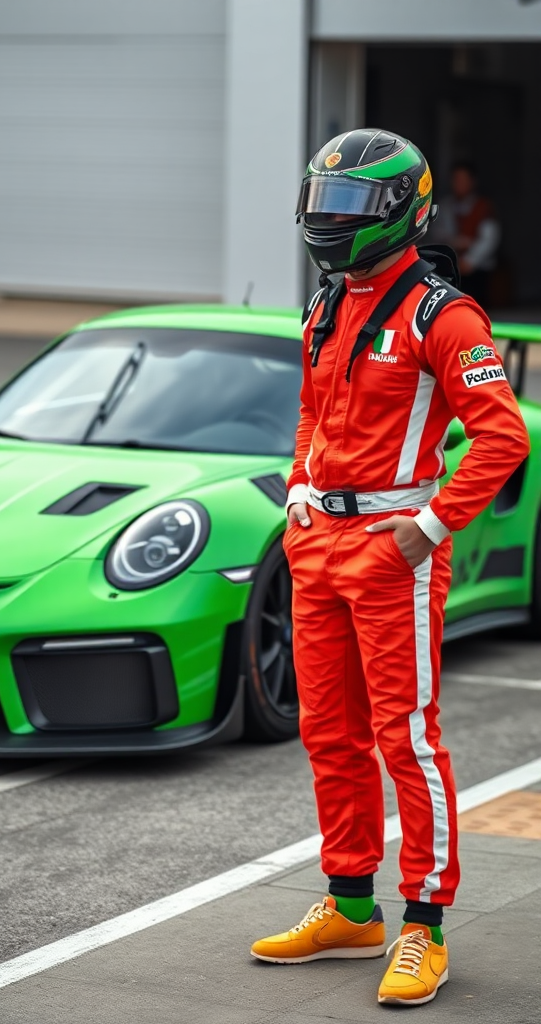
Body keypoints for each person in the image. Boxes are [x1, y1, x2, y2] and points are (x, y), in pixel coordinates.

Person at [250, 128, 530, 1006]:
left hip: (392, 552)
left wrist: (431, 526)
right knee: (328, 735)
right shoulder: (326, 302)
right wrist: (298, 492)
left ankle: (424, 925)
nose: (329, 223)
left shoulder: (442, 314)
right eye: (321, 205)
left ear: (401, 212)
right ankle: (350, 907)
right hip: (316, 546)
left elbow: (503, 436)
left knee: (405, 738)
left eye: (349, 209)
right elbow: (309, 412)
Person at [434, 160, 501, 307]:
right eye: (456, 179)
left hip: (477, 270)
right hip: (452, 268)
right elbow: (437, 233)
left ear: (472, 182)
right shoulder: (445, 206)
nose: (459, 184)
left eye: (463, 180)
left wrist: (470, 260)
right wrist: (455, 242)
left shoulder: (483, 207)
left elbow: (489, 239)